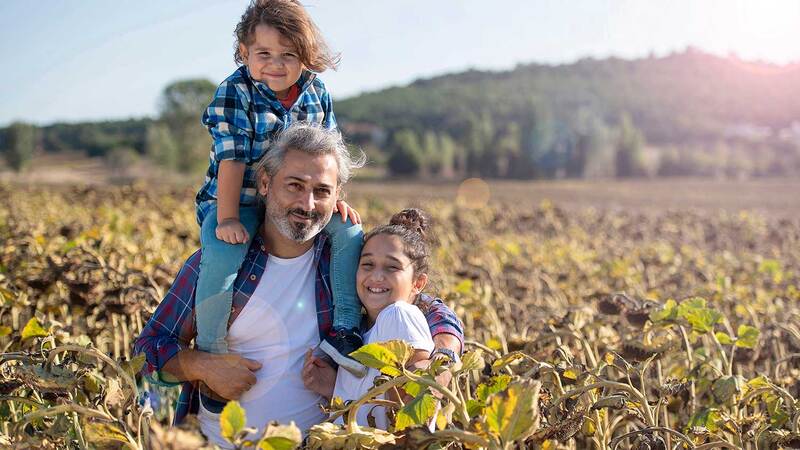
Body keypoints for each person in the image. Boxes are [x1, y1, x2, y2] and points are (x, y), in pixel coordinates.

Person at [133, 124, 463, 447]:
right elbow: (148, 349)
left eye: (321, 191)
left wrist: (443, 355)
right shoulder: (217, 265)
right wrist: (203, 366)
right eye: (294, 185)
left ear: (337, 197)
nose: (307, 204)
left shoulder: (344, 264)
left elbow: (419, 303)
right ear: (265, 182)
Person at [194, 0, 366, 376]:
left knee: (350, 232)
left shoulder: (316, 91)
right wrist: (225, 218)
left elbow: (329, 155)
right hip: (235, 198)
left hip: (296, 200)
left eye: (288, 54)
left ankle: (345, 329)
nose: (276, 63)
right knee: (223, 255)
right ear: (244, 53)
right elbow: (232, 159)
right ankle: (212, 347)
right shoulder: (234, 92)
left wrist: (336, 200)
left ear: (305, 56)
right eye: (264, 53)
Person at [302, 208, 457, 429]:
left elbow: (414, 411)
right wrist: (335, 387)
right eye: (367, 265)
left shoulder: (399, 315)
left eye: (392, 267)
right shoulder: (357, 337)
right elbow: (369, 407)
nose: (376, 276)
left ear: (418, 284)